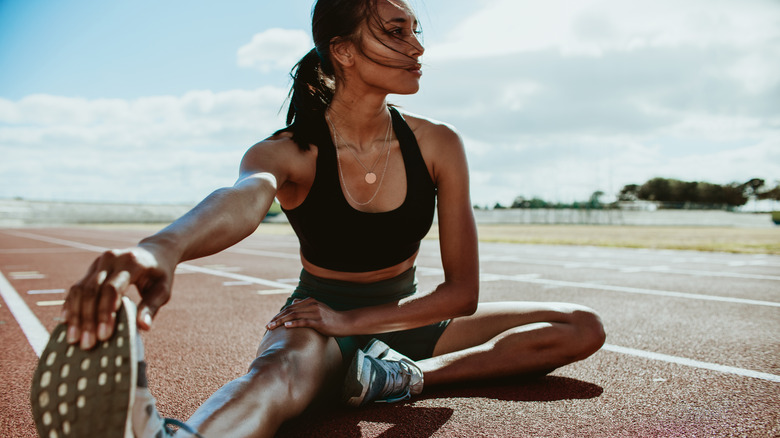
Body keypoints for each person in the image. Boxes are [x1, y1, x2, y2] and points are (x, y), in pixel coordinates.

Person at [30, 0, 606, 437]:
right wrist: (164, 248)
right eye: (395, 32)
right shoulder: (288, 153)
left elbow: (462, 294)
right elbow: (242, 199)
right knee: (272, 379)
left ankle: (399, 377)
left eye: (415, 31)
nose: (418, 48)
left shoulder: (439, 145)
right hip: (315, 324)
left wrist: (360, 329)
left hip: (410, 323)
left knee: (581, 326)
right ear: (344, 50)